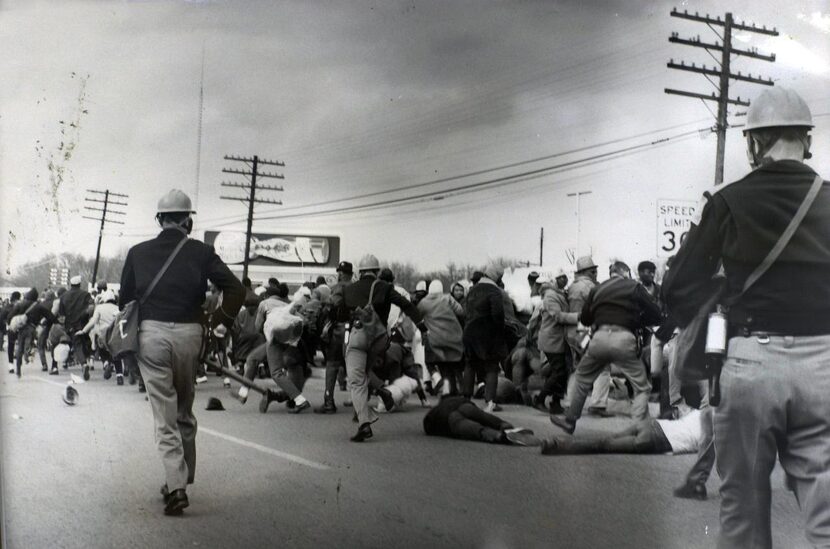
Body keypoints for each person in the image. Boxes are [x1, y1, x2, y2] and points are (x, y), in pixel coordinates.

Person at [662, 86, 829, 548]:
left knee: (744, 506)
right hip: (826, 364)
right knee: (826, 503)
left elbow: (676, 289)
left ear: (755, 142)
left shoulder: (726, 201)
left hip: (751, 360)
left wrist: (723, 300)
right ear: (806, 140)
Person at [119, 189, 244, 516]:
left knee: (164, 413)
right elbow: (236, 289)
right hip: (190, 334)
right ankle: (182, 477)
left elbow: (125, 302)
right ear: (188, 219)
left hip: (152, 335)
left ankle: (176, 486)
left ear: (159, 219)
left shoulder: (138, 252)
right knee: (185, 408)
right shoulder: (201, 251)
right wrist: (219, 322)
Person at [551, 261, 663, 434]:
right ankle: (640, 428)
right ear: (625, 272)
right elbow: (656, 314)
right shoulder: (634, 286)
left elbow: (586, 319)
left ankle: (570, 420)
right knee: (642, 387)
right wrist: (637, 321)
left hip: (599, 339)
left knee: (582, 378)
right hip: (624, 338)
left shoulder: (598, 288)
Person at [331, 254, 426, 442]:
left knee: (357, 380)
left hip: (358, 336)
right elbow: (406, 305)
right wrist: (422, 326)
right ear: (377, 271)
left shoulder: (350, 289)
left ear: (360, 271)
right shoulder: (385, 288)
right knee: (365, 372)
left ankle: (364, 424)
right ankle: (383, 392)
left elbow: (340, 314)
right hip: (381, 339)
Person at [541, 408, 705, 456]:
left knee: (606, 439)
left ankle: (556, 441)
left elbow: (677, 414)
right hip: (660, 439)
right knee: (602, 445)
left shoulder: (702, 411)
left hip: (653, 425)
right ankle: (557, 444)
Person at [462, 263, 508, 413]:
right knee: (491, 367)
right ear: (497, 277)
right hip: (487, 334)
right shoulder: (494, 291)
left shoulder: (472, 290)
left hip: (469, 332)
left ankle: (466, 399)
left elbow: (465, 312)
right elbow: (498, 315)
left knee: (470, 365)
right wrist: (500, 332)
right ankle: (490, 402)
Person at [315, 261, 354, 414]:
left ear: (346, 274)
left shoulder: (338, 288)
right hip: (354, 329)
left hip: (340, 329)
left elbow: (333, 305)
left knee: (332, 365)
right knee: (354, 365)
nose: (339, 274)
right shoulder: (356, 287)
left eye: (341, 272)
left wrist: (326, 305)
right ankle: (362, 399)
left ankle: (329, 402)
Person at [423, 395, 540, 446]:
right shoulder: (454, 399)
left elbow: (428, 426)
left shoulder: (433, 413)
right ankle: (504, 425)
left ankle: (497, 435)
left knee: (475, 429)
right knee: (482, 416)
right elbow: (479, 414)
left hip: (446, 418)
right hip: (463, 404)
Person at [417, 280, 465, 396]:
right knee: (455, 364)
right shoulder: (447, 298)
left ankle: (449, 389)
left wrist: (426, 326)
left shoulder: (424, 302)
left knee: (443, 365)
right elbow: (460, 311)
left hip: (435, 338)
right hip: (453, 336)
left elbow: (416, 317)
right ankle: (462, 389)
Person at [59, 276, 94, 380]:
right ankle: (88, 359)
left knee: (77, 344)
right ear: (79, 284)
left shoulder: (64, 296)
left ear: (71, 284)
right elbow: (91, 307)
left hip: (71, 325)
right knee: (87, 342)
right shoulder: (86, 294)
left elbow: (61, 314)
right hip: (84, 323)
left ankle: (83, 364)